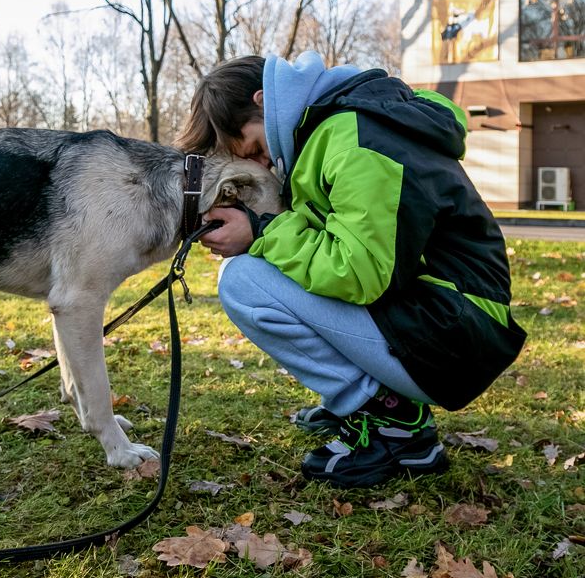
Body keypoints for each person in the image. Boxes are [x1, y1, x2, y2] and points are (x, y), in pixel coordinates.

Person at [175, 52, 526, 488]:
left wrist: (261, 232)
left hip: (455, 334)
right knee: (260, 271)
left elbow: (358, 273)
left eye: (255, 151)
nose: (263, 165)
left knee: (244, 281)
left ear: (264, 102)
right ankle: (374, 404)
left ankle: (393, 420)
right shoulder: (339, 125)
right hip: (450, 321)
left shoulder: (355, 138)